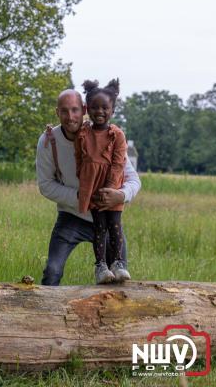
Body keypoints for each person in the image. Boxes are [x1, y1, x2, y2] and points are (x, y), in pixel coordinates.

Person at [36, 89, 141, 286]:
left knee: (118, 281)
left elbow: (134, 179)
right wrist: (81, 197)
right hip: (71, 217)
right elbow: (45, 185)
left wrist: (121, 195)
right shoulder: (48, 141)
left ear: (84, 110)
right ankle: (47, 314)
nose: (70, 117)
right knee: (52, 272)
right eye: (64, 111)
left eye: (75, 110)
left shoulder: (106, 136)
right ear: (57, 112)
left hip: (108, 217)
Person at [75, 78, 131, 284]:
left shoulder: (117, 135)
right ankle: (100, 266)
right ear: (88, 109)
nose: (100, 111)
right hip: (93, 187)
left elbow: (118, 164)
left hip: (112, 188)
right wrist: (83, 177)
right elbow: (79, 157)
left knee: (115, 225)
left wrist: (110, 189)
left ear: (113, 110)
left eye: (105, 108)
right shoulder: (83, 133)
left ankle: (118, 262)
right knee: (98, 227)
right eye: (95, 107)